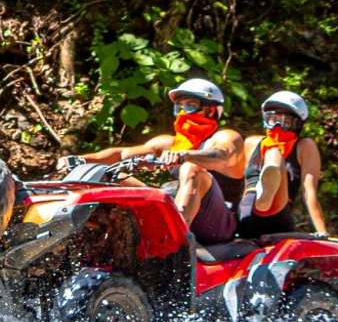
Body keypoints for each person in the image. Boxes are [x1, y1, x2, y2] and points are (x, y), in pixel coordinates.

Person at [61, 77, 237, 245]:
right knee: (112, 175)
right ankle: (96, 241)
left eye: (190, 106)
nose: (183, 112)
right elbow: (121, 154)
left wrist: (185, 156)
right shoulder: (169, 143)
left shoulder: (225, 137)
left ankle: (176, 243)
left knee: (191, 169)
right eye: (179, 107)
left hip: (217, 225)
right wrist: (81, 159)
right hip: (176, 208)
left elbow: (222, 156)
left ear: (211, 110)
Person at [237, 90, 330, 239]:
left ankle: (264, 199)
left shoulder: (304, 146)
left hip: (278, 217)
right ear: (265, 119)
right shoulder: (251, 142)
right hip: (247, 215)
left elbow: (309, 193)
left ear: (297, 124)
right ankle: (260, 200)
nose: (278, 125)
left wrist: (322, 232)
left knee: (274, 154)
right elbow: (242, 185)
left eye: (286, 122)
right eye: (273, 119)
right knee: (251, 191)